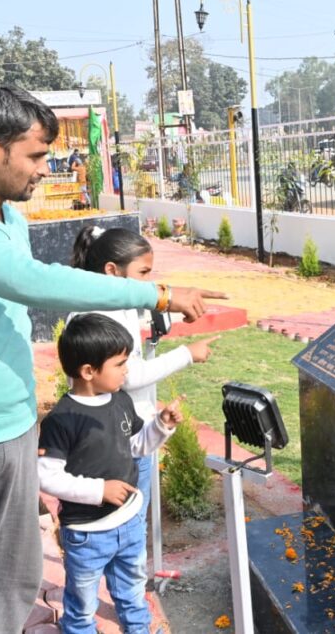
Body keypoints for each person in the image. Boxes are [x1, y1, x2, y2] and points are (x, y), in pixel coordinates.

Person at [0, 85, 223, 633]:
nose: (46, 168)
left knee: (11, 577)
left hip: (14, 427)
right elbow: (29, 283)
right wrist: (158, 295)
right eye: (37, 154)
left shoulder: (10, 222)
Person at [38, 313, 182, 634]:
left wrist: (162, 426)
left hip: (129, 525)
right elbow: (47, 478)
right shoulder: (62, 420)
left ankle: (138, 629)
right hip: (88, 534)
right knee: (82, 604)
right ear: (88, 371)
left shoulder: (120, 402)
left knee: (132, 589)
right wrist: (99, 491)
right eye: (119, 363)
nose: (127, 369)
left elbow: (137, 446)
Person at [69, 226, 219, 532]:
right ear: (112, 271)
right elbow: (129, 375)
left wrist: (180, 310)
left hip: (136, 433)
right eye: (143, 273)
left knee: (133, 536)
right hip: (114, 444)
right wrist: (187, 354)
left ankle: (132, 580)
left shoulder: (118, 305)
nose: (149, 283)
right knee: (115, 531)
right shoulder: (96, 316)